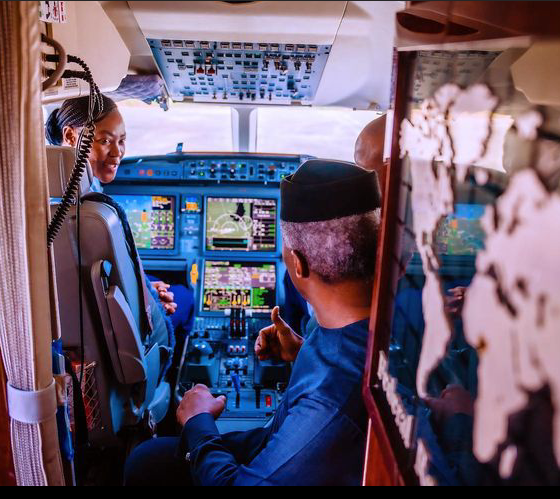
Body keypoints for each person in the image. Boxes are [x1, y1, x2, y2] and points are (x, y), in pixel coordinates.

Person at [124, 159, 383, 486]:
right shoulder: (359, 325)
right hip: (285, 443)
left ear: (297, 264)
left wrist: (198, 421)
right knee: (148, 459)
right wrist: (304, 353)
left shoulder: (327, 404)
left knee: (144, 464)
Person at [45, 95, 194, 334]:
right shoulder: (93, 212)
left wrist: (147, 290)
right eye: (105, 140)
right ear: (71, 136)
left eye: (122, 140)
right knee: (186, 296)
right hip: (116, 328)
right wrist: (151, 302)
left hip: (96, 319)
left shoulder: (52, 200)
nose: (117, 153)